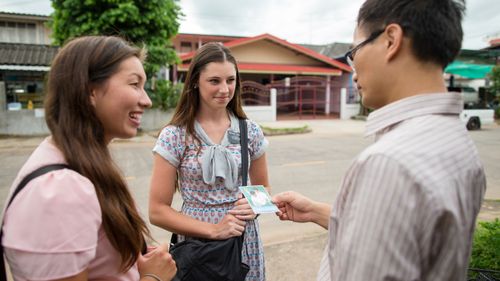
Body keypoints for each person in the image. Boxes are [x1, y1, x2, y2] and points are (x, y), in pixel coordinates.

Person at [273, 0, 486, 280]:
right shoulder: (457, 142)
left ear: (391, 40)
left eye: (354, 51)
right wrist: (315, 211)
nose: (353, 68)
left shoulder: (389, 161)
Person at [1, 36, 177, 281]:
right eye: (134, 84)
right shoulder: (60, 191)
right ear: (90, 91)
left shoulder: (81, 163)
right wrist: (153, 277)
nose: (146, 100)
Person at [149, 42, 270, 281]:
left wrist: (253, 206)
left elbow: (264, 190)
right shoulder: (175, 135)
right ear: (195, 81)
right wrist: (214, 230)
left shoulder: (251, 131)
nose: (225, 89)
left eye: (231, 80)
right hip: (196, 244)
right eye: (214, 81)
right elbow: (157, 211)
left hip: (243, 241)